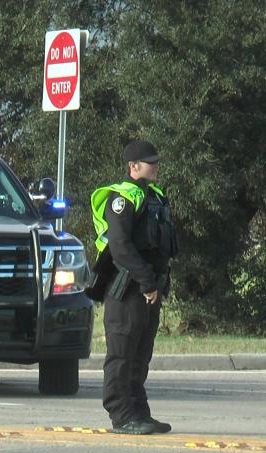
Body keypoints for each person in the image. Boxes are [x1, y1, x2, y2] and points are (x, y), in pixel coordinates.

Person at [89, 139, 179, 435]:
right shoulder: (123, 197)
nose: (155, 167)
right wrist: (146, 281)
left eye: (156, 161)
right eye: (150, 162)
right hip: (127, 290)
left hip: (149, 289)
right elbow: (120, 246)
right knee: (122, 353)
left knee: (141, 354)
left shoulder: (153, 196)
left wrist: (155, 285)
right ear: (133, 166)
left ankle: (139, 411)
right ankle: (121, 414)